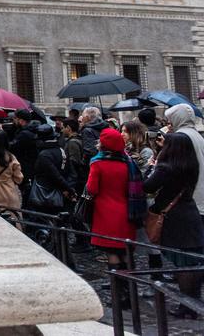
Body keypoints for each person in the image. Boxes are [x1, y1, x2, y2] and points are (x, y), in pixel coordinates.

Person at [143, 133, 204, 316]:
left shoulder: (165, 167)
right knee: (192, 261)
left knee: (182, 263)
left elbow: (148, 187)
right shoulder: (190, 165)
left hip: (174, 217)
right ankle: (193, 303)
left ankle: (186, 307)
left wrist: (152, 165)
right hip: (189, 211)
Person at [86, 128, 137, 305]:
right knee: (125, 251)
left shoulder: (97, 163)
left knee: (112, 252)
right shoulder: (128, 162)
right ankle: (130, 291)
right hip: (127, 211)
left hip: (105, 212)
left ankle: (120, 295)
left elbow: (91, 189)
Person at [165, 103, 204, 230]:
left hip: (189, 200)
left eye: (170, 120)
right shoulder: (197, 135)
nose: (168, 124)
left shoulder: (180, 138)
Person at [31, 125, 73, 213]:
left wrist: (69, 189)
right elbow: (69, 172)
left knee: (41, 220)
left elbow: (55, 175)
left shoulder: (44, 154)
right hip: (59, 193)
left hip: (43, 194)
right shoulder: (62, 151)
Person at [60, 119, 84, 192]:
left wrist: (69, 187)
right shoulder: (77, 140)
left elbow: (73, 165)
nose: (62, 131)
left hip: (73, 183)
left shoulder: (73, 142)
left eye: (63, 128)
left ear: (68, 128)